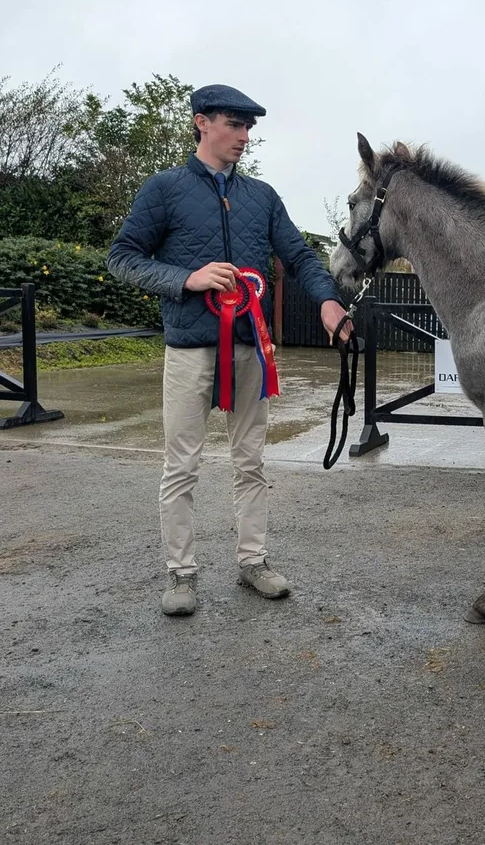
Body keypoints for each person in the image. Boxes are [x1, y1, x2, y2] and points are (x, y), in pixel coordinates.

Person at [107, 83, 350, 617]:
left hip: (250, 349)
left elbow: (301, 257)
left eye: (248, 129)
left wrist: (329, 303)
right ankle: (181, 573)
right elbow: (121, 258)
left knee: (252, 460)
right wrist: (186, 278)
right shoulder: (164, 189)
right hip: (190, 349)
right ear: (201, 123)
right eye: (234, 125)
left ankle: (253, 562)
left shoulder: (261, 197)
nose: (243, 137)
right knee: (182, 465)